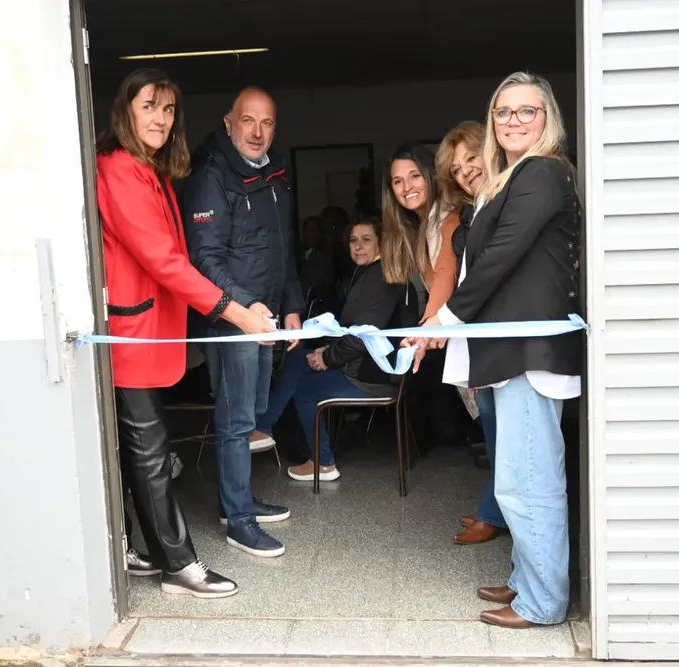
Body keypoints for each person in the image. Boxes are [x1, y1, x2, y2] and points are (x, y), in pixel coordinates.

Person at [407, 72, 582, 628]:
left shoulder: (544, 173)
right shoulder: (511, 179)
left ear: (547, 118)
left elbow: (501, 256)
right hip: (509, 352)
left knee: (529, 480)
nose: (512, 121)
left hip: (529, 351)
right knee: (518, 477)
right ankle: (525, 582)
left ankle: (543, 603)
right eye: (503, 112)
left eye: (525, 111)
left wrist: (446, 318)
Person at [96, 68, 276, 597]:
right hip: (130, 333)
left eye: (168, 109)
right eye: (149, 105)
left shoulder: (144, 168)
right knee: (150, 450)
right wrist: (236, 311)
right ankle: (180, 565)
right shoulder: (118, 169)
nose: (160, 118)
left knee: (139, 448)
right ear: (126, 110)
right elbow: (164, 261)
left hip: (146, 330)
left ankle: (139, 547)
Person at [183, 87, 304, 558]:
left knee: (251, 414)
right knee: (235, 422)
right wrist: (245, 306)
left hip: (266, 318)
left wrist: (290, 304)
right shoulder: (210, 175)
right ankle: (239, 520)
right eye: (248, 121)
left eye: (267, 123)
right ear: (229, 122)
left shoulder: (274, 173)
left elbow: (282, 249)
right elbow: (204, 257)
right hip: (233, 317)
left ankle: (237, 500)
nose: (257, 132)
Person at [253, 218, 417, 481]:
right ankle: (264, 427)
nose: (358, 247)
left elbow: (365, 336)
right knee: (297, 357)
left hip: (375, 375)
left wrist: (328, 358)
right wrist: (326, 351)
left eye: (366, 240)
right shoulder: (369, 273)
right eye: (353, 240)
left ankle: (323, 462)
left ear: (382, 244)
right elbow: (353, 329)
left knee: (305, 390)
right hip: (362, 366)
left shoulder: (382, 278)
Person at [433, 120, 508, 546]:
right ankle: (494, 507)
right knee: (493, 427)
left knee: (502, 431)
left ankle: (495, 512)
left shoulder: (501, 201)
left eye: (470, 159)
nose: (465, 171)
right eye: (457, 169)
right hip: (479, 336)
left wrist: (445, 320)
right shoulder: (474, 209)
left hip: (498, 339)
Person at [381, 144, 467, 451]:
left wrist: (428, 330)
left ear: (430, 176)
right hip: (454, 328)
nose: (407, 187)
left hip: (474, 331)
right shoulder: (419, 225)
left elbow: (445, 271)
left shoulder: (447, 216)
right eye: (397, 181)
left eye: (415, 176)